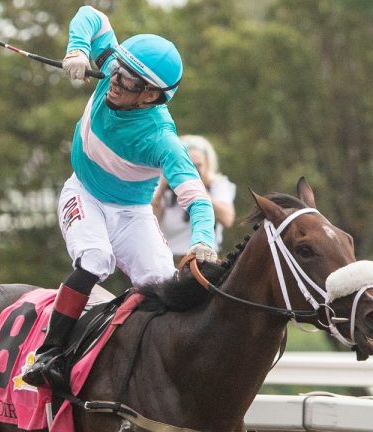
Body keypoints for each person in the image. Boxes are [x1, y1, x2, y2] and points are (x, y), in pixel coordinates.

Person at [22, 5, 218, 388]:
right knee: (96, 259)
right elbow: (91, 15)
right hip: (84, 193)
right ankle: (49, 353)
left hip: (132, 212)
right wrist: (78, 49)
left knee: (163, 284)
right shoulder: (117, 70)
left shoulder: (162, 141)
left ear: (151, 95)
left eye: (128, 80)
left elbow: (197, 198)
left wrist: (203, 240)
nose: (114, 80)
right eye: (116, 70)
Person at [153, 135, 236, 263]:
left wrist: (198, 191)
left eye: (198, 166)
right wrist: (163, 188)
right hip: (169, 260)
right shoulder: (167, 188)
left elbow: (227, 219)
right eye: (189, 166)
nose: (194, 171)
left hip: (204, 259)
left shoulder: (217, 185)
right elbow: (151, 221)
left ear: (208, 165)